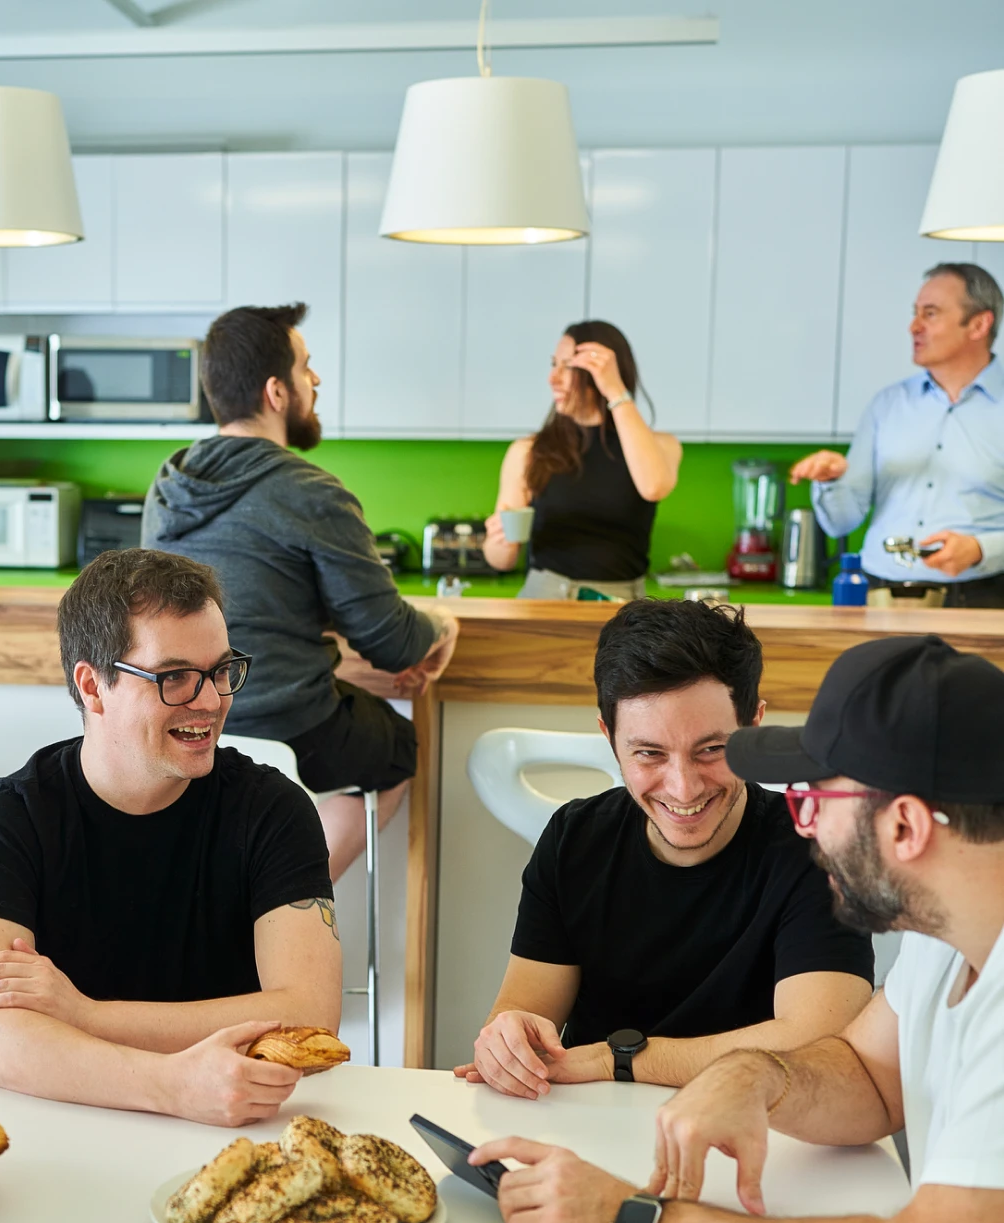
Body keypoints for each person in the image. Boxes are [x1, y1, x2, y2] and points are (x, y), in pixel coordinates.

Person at [471, 634, 1004, 1223]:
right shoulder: (942, 938)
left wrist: (631, 1220)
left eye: (816, 800)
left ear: (906, 829)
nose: (807, 827)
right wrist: (756, 1074)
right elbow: (867, 1076)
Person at [455, 597, 874, 1098]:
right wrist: (507, 1041)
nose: (683, 787)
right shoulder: (574, 836)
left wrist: (620, 1058)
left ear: (754, 727)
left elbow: (819, 1038)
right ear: (609, 737)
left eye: (712, 750)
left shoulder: (818, 845)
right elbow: (525, 1016)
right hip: (588, 1130)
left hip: (758, 1129)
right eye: (649, 754)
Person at [0, 548, 342, 1127]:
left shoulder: (272, 809)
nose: (210, 700)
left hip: (236, 1120)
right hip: (67, 1121)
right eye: (173, 676)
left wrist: (81, 1014)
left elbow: (310, 1015)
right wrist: (170, 1085)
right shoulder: (14, 816)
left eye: (220, 670)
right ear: (93, 686)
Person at [142, 302, 458, 880]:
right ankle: (283, 898)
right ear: (276, 391)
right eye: (306, 367)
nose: (315, 380)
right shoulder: (313, 492)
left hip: (182, 723)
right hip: (283, 721)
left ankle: (232, 911)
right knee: (396, 748)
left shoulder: (169, 486)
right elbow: (392, 643)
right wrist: (444, 625)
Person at [790, 262, 1004, 608]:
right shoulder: (887, 405)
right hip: (880, 597)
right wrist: (831, 481)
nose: (913, 326)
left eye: (930, 314)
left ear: (979, 324)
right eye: (915, 313)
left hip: (982, 600)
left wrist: (983, 550)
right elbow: (842, 521)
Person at [482, 321, 682, 599]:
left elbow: (654, 487)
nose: (553, 378)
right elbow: (501, 560)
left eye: (567, 366)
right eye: (553, 365)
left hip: (625, 608)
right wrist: (499, 540)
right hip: (544, 599)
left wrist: (615, 390)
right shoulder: (528, 451)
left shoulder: (661, 445)